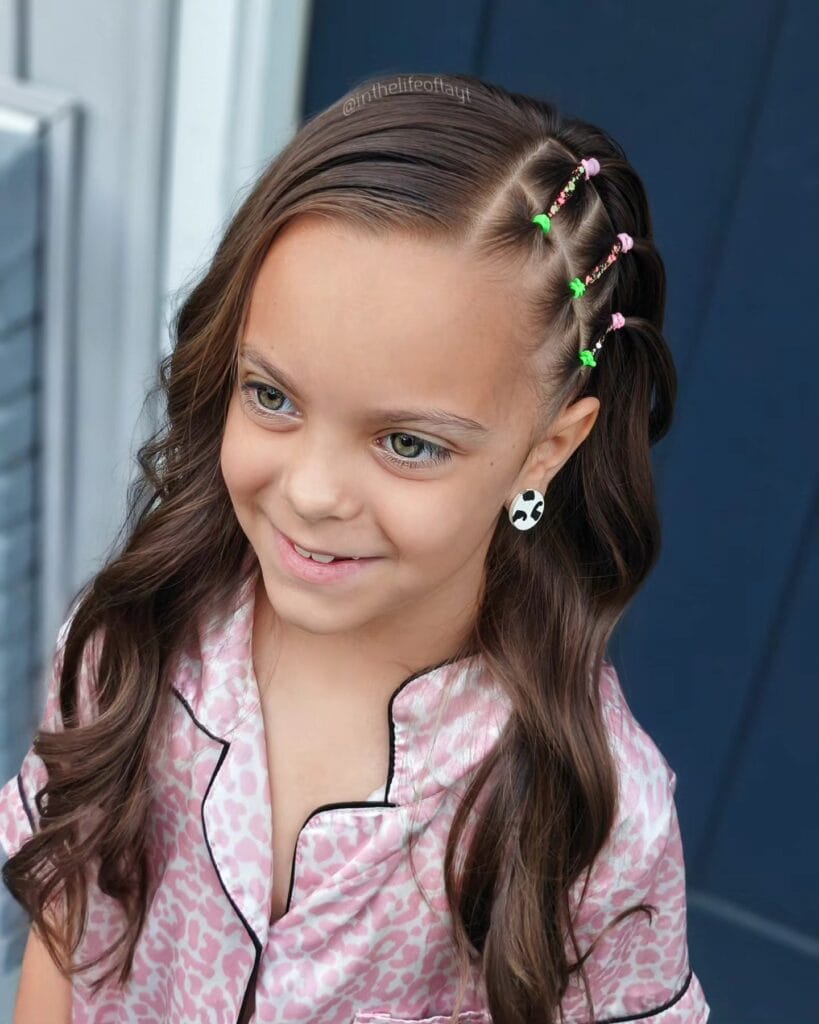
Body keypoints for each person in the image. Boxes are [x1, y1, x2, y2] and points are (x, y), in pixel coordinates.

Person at [0, 71, 710, 1023]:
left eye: (409, 443)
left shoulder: (585, 814)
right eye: (273, 397)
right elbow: (67, 927)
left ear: (547, 450)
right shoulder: (132, 642)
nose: (310, 492)